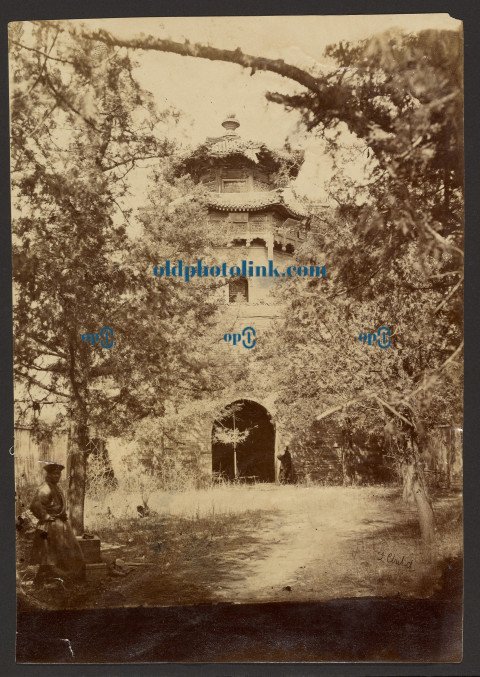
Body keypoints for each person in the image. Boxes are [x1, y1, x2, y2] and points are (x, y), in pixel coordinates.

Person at [30, 462, 85, 584]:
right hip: (51, 526)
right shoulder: (45, 488)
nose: (57, 476)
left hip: (60, 524)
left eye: (59, 474)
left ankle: (65, 580)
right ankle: (47, 582)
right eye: (54, 474)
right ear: (48, 474)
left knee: (64, 552)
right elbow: (34, 506)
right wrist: (46, 516)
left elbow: (57, 504)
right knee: (50, 554)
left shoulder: (55, 486)